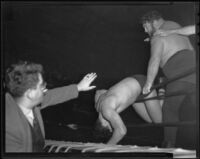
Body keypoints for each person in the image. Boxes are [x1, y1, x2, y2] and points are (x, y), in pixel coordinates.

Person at [5, 60, 97, 152]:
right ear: (30, 94)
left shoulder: (25, 102)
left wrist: (78, 87)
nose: (46, 90)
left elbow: (51, 96)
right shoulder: (9, 128)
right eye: (42, 86)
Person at [141, 11, 196, 147]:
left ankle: (169, 145)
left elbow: (155, 59)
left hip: (179, 72)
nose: (145, 30)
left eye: (145, 27)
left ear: (151, 22)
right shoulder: (174, 25)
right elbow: (174, 40)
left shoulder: (157, 37)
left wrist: (148, 83)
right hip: (195, 67)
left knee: (170, 109)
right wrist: (152, 39)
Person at [94, 75, 162, 145]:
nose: (112, 125)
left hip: (143, 85)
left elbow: (122, 131)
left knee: (158, 121)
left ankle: (162, 88)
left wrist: (108, 146)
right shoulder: (98, 106)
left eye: (111, 127)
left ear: (105, 124)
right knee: (149, 119)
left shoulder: (107, 112)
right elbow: (99, 92)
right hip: (134, 89)